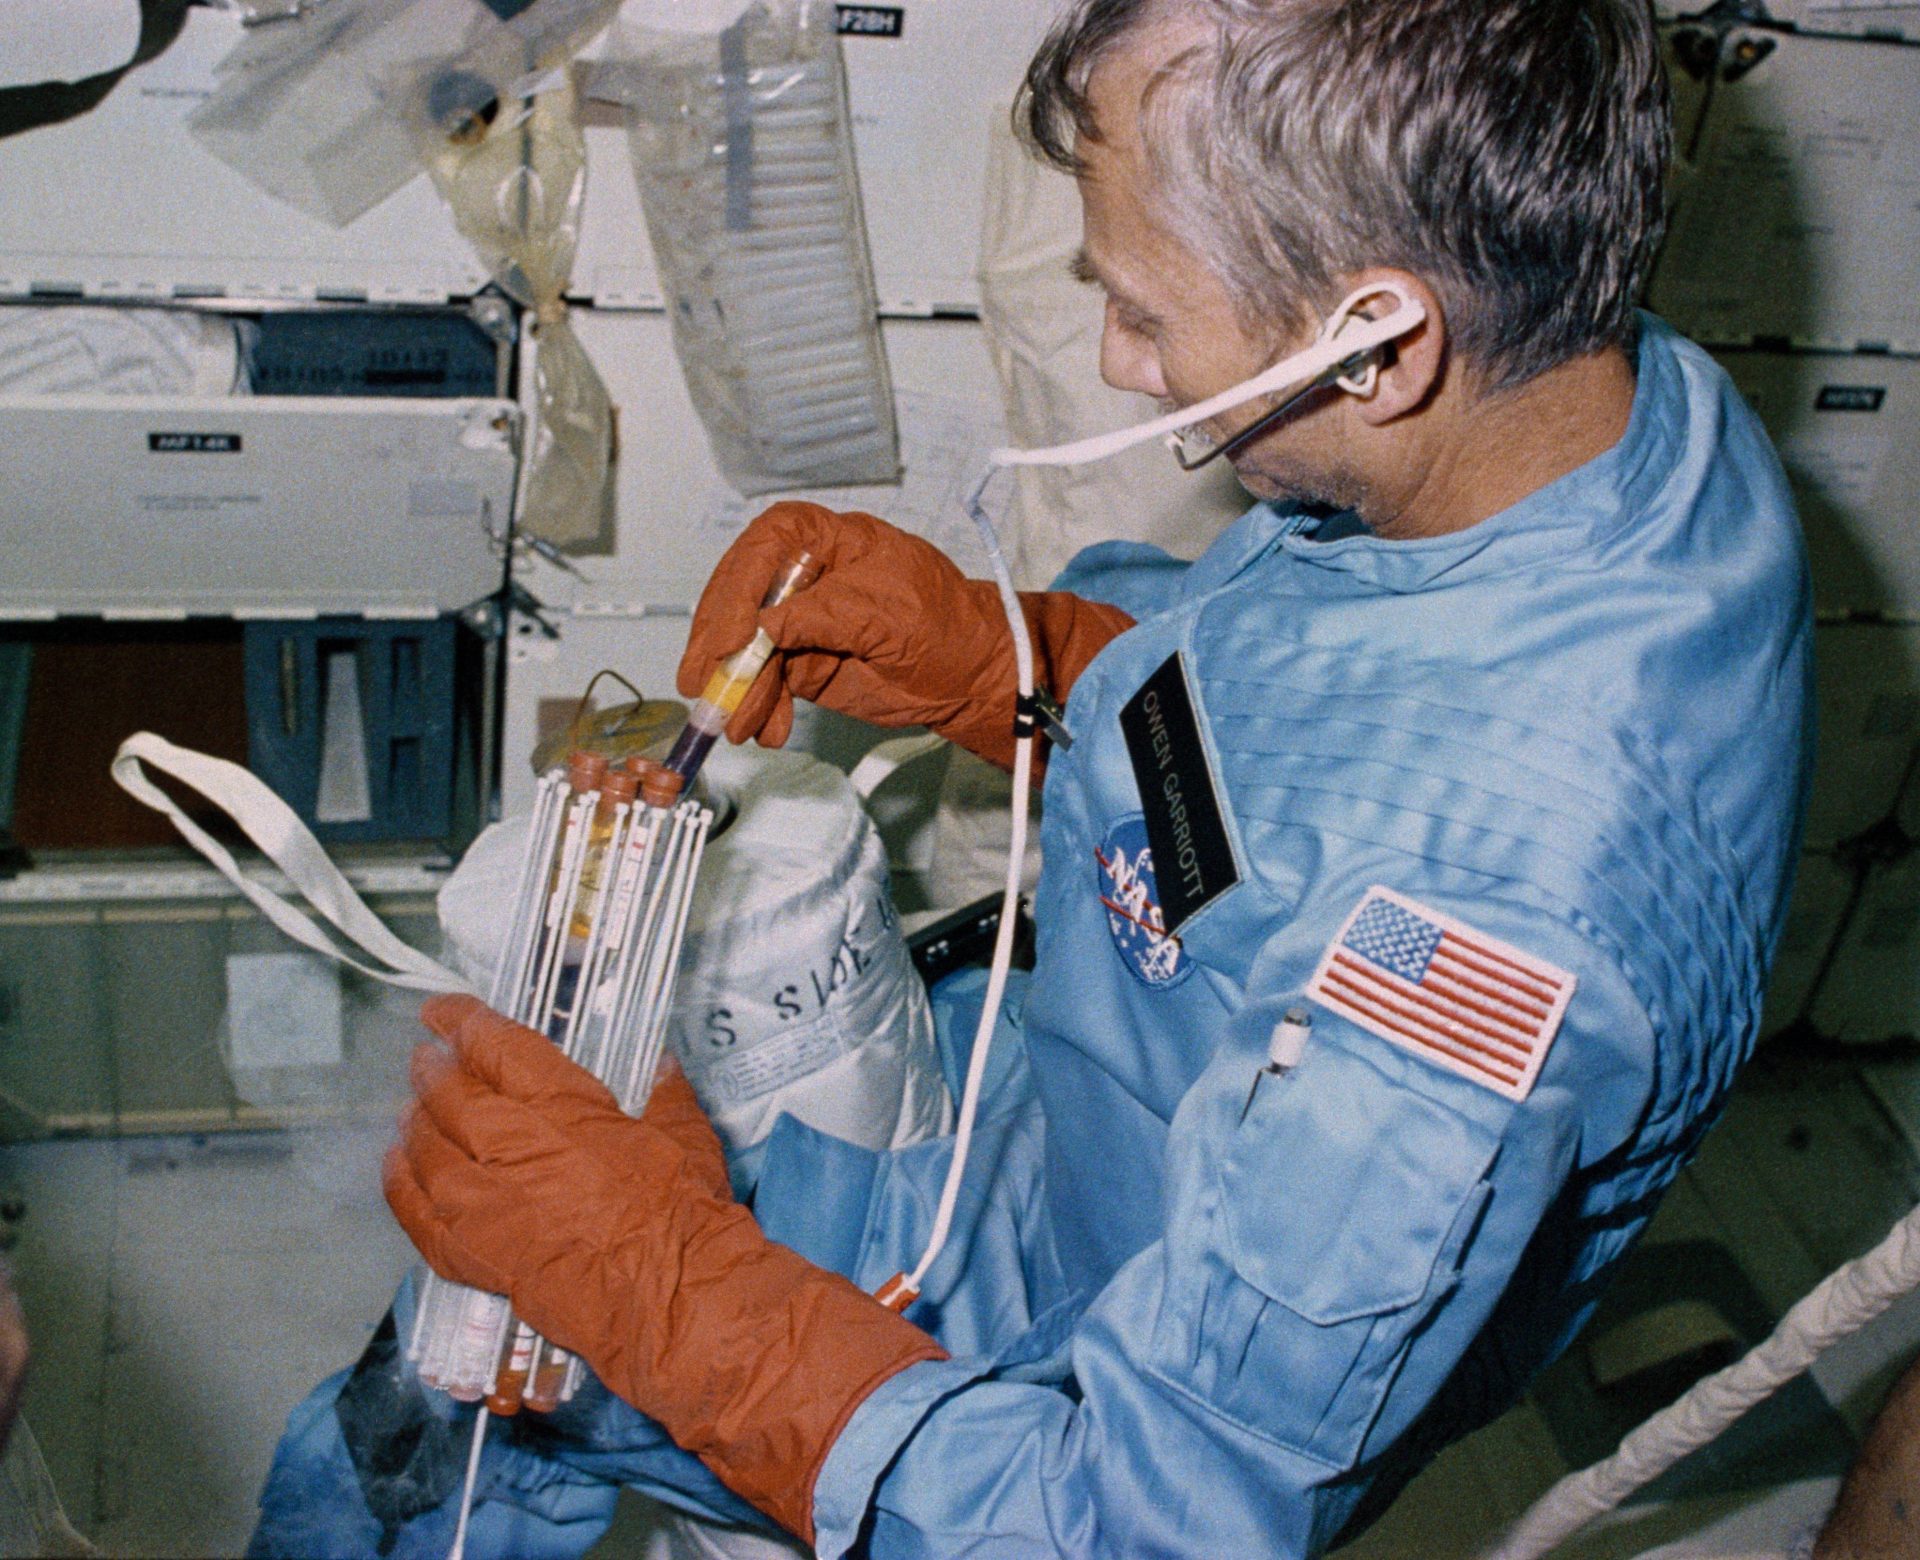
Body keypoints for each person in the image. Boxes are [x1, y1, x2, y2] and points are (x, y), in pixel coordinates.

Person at [253, 1, 1815, 1555]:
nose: (1121, 365)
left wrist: (661, 1286)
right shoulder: (1581, 399)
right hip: (1075, 1090)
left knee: (476, 1373)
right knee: (515, 1247)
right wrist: (1025, 659)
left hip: (1076, 1354)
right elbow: (1340, 693)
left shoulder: (1482, 957)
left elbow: (1126, 1523)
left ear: (1379, 342)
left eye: (1140, 307)